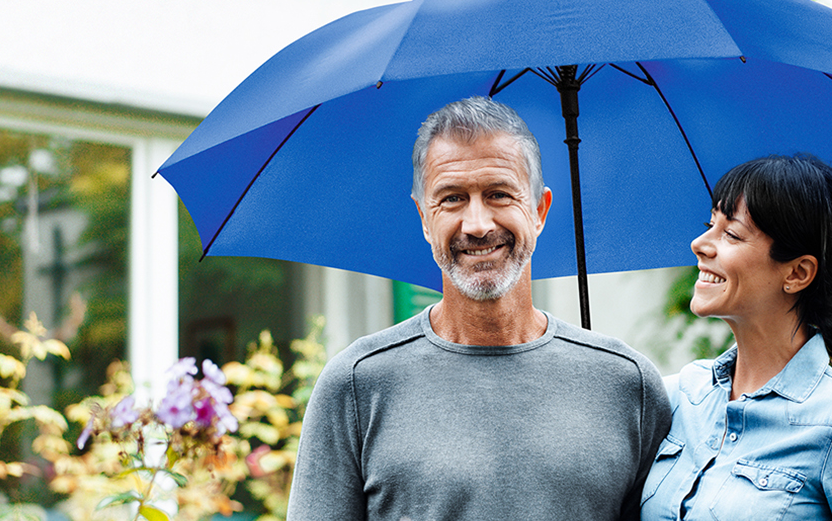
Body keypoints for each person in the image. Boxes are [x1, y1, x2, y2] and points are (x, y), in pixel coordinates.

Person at [286, 96, 671, 520]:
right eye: (451, 198)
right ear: (424, 219)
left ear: (539, 210)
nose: (477, 225)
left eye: (499, 194)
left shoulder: (627, 384)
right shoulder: (358, 385)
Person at [639, 154, 832, 520]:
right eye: (709, 225)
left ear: (798, 273)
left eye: (732, 234)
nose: (700, 244)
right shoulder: (678, 397)